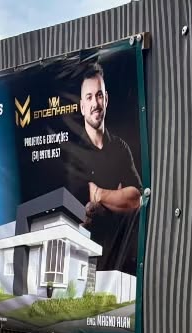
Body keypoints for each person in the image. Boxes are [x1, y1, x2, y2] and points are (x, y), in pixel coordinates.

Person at [64, 61, 142, 275]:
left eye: (99, 95)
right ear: (81, 106)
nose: (95, 103)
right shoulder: (73, 154)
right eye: (89, 97)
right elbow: (81, 213)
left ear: (106, 99)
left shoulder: (120, 148)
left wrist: (98, 193)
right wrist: (117, 196)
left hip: (123, 262)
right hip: (84, 262)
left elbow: (135, 198)